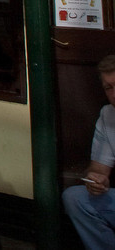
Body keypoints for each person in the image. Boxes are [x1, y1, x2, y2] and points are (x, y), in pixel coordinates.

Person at [64, 55, 115, 249]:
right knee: (75, 198)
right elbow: (99, 170)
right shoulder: (108, 114)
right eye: (108, 88)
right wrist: (98, 180)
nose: (114, 94)